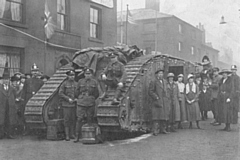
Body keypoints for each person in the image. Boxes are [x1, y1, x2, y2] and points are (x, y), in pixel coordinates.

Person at [74, 68, 99, 143]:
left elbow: (96, 93)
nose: (88, 75)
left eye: (89, 74)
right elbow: (76, 92)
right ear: (84, 74)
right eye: (86, 74)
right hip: (81, 102)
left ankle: (88, 136)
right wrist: (80, 97)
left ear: (91, 75)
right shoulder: (80, 81)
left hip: (90, 102)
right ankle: (77, 136)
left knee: (89, 119)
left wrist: (91, 97)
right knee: (79, 119)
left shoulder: (94, 82)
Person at [21, 63, 44, 134]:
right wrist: (23, 99)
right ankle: (27, 130)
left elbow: (42, 92)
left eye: (36, 71)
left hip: (37, 100)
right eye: (33, 71)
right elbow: (24, 90)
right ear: (31, 72)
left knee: (36, 114)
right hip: (28, 98)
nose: (35, 72)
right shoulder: (27, 81)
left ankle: (37, 130)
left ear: (38, 72)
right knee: (27, 114)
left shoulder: (41, 81)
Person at [149, 69, 170, 135]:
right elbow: (150, 91)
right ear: (157, 74)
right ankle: (155, 130)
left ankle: (163, 129)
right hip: (157, 101)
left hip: (164, 101)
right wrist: (156, 97)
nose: (161, 74)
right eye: (159, 73)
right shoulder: (154, 81)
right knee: (156, 117)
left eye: (162, 73)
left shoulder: (165, 81)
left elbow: (167, 90)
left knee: (163, 116)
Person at [59, 70, 77, 141]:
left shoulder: (76, 84)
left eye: (73, 75)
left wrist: (76, 98)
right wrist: (67, 99)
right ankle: (67, 135)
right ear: (67, 76)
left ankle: (72, 134)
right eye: (70, 75)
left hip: (74, 104)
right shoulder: (64, 84)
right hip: (66, 105)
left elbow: (79, 92)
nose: (72, 77)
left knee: (73, 119)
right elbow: (60, 93)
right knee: (67, 120)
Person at [0, 69, 18, 139]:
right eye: (5, 79)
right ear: (2, 80)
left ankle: (9, 134)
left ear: (9, 80)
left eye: (7, 79)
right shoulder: (0, 88)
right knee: (1, 121)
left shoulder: (12, 88)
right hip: (1, 107)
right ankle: (1, 134)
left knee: (10, 121)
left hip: (10, 107)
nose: (6, 81)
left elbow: (15, 96)